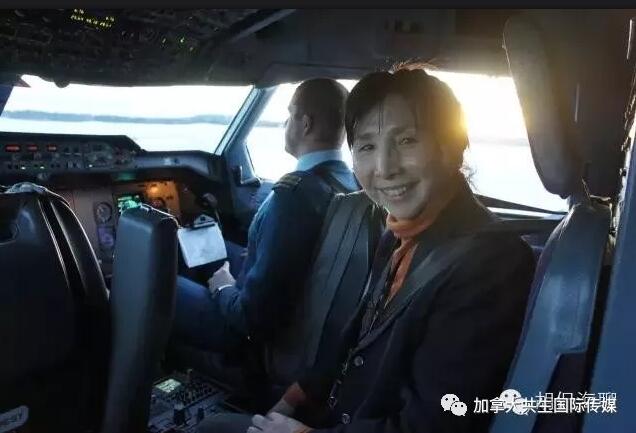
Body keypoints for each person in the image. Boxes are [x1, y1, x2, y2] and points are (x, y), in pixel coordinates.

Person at [200, 67, 535, 433]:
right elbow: (355, 335)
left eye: (406, 140)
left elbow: (435, 423)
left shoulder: (491, 262)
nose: (385, 168)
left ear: (452, 147)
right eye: (367, 147)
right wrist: (296, 396)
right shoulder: (398, 231)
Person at [172, 78, 357, 355]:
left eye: (289, 115)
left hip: (251, 335)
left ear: (305, 124)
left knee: (155, 281)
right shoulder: (351, 184)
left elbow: (251, 318)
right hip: (305, 310)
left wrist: (223, 288)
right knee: (206, 248)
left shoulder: (293, 196)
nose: (285, 124)